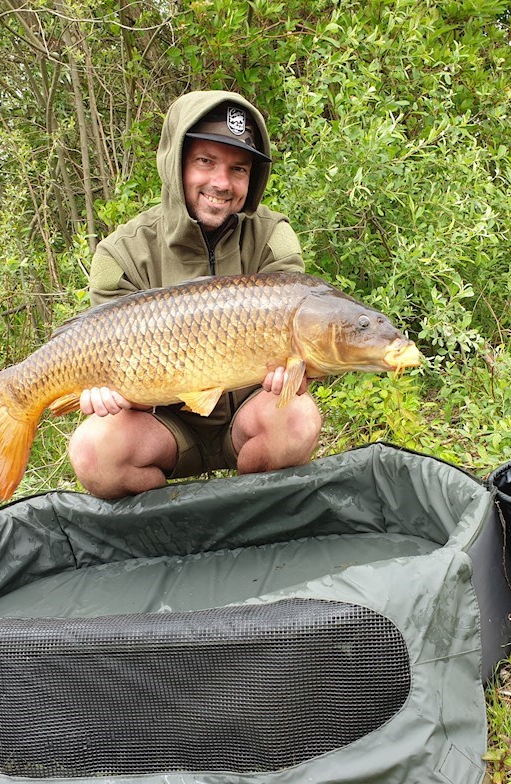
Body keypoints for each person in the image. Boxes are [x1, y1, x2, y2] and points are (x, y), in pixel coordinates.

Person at [68, 90, 322, 499]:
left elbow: (304, 338)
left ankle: (249, 521)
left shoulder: (273, 238)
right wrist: (104, 391)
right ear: (176, 163)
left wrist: (299, 373)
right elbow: (104, 352)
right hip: (163, 426)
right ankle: (170, 532)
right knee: (94, 449)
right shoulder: (122, 253)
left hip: (248, 415)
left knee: (296, 418)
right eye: (206, 161)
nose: (222, 183)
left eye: (238, 169)